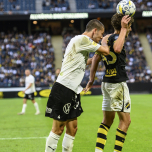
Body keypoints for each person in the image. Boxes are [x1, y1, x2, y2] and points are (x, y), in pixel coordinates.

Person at [44, 19, 110, 152]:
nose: (101, 37)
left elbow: (84, 61)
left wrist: (95, 59)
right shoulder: (82, 39)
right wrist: (107, 40)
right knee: (58, 129)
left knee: (72, 129)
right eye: (101, 34)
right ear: (94, 30)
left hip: (72, 90)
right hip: (64, 88)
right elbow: (106, 50)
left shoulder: (79, 42)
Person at [84, 14, 133, 152]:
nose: (130, 29)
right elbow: (117, 49)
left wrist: (91, 80)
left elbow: (95, 59)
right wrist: (123, 29)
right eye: (130, 26)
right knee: (125, 121)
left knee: (107, 121)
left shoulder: (105, 39)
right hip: (117, 84)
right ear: (125, 25)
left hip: (106, 84)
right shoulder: (118, 38)